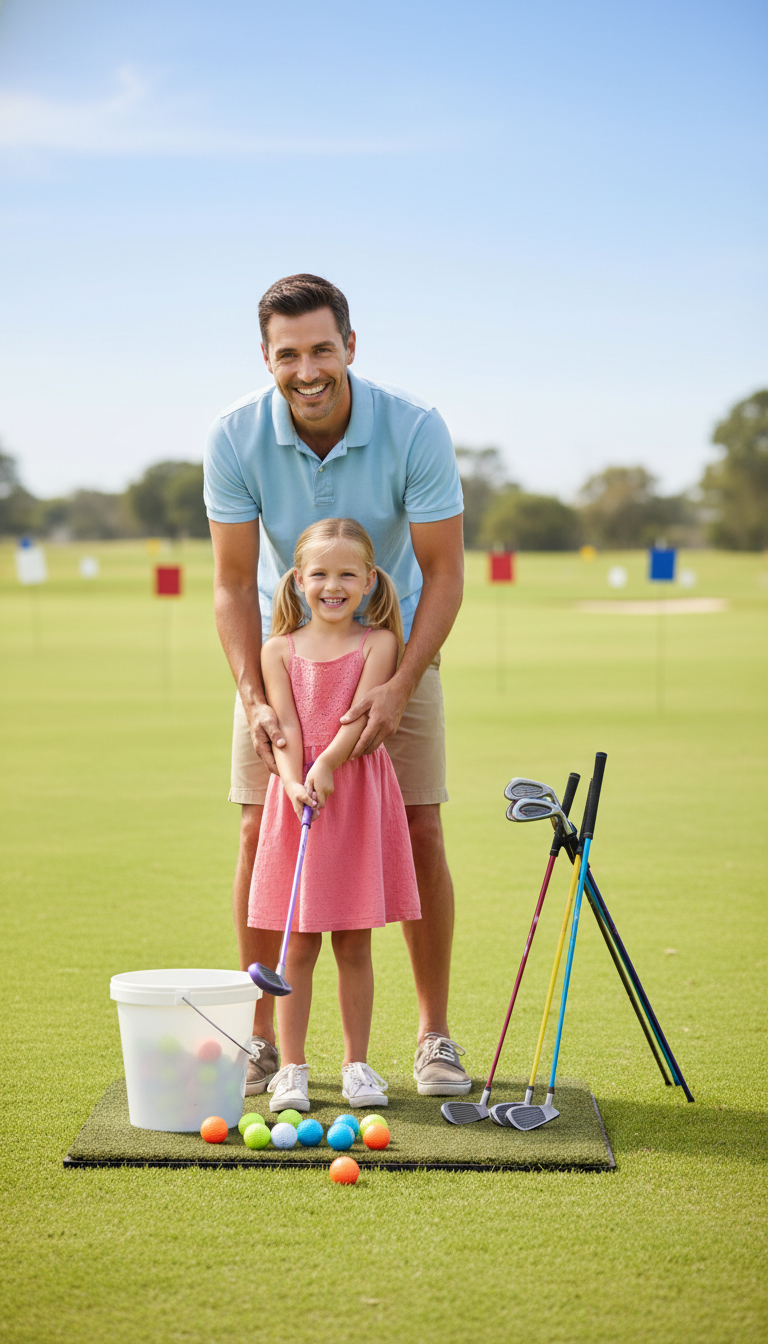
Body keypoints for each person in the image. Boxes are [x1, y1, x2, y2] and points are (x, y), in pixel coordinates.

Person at [204, 272, 469, 1099]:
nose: (307, 369)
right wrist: (253, 695)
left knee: (420, 825)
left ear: (350, 346)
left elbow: (446, 572)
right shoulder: (235, 435)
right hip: (285, 660)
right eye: (289, 354)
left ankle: (432, 1037)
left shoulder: (415, 427)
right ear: (266, 357)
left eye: (323, 348)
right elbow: (230, 582)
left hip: (396, 647)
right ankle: (260, 1037)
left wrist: (397, 687)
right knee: (260, 833)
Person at [250, 518, 421, 1113]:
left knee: (352, 942)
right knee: (296, 946)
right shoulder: (277, 650)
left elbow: (356, 717)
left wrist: (326, 768)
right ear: (297, 580)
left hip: (353, 795)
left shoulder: (379, 643)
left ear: (370, 580)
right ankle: (291, 1069)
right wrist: (296, 781)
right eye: (319, 573)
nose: (333, 585)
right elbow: (288, 726)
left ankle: (356, 1065)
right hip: (301, 798)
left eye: (348, 574)